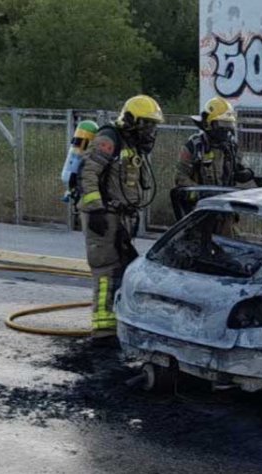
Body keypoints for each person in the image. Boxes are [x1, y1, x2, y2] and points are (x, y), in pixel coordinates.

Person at [78, 94, 164, 339]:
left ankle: (119, 322)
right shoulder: (109, 138)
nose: (151, 131)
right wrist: (95, 210)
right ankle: (103, 329)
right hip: (104, 216)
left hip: (121, 217)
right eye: (147, 124)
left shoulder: (130, 144)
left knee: (124, 269)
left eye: (153, 125)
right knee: (106, 270)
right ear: (131, 120)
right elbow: (89, 173)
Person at [175, 97, 254, 189]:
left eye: (228, 124)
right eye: (222, 124)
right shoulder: (194, 146)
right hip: (199, 201)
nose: (226, 129)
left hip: (225, 199)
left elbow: (245, 166)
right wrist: (199, 191)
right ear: (208, 124)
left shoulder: (232, 147)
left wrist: (247, 173)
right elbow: (180, 177)